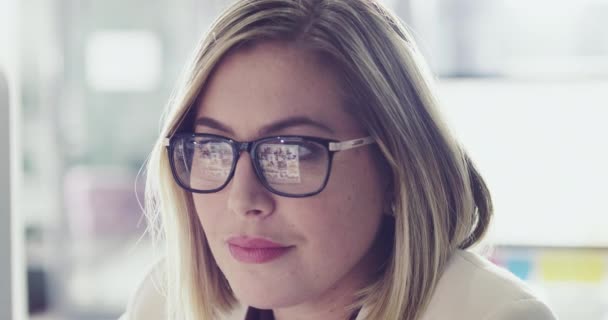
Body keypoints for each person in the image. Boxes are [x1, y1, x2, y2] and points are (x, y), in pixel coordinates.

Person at [121, 0, 557, 319]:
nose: (243, 198)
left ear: (395, 168)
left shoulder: (493, 315)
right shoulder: (164, 303)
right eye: (213, 148)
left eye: (291, 152)